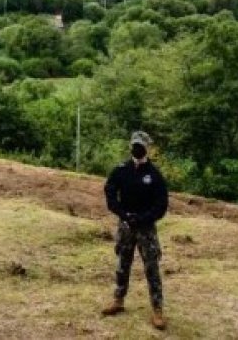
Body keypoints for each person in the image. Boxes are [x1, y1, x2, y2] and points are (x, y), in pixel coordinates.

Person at [101, 130, 169, 330]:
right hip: (125, 226)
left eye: (141, 145)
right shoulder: (121, 170)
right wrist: (123, 214)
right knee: (122, 263)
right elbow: (110, 191)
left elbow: (161, 205)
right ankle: (118, 300)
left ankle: (157, 309)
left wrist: (142, 218)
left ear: (147, 148)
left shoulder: (155, 175)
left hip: (146, 228)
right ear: (130, 146)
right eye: (134, 144)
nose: (137, 148)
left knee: (152, 267)